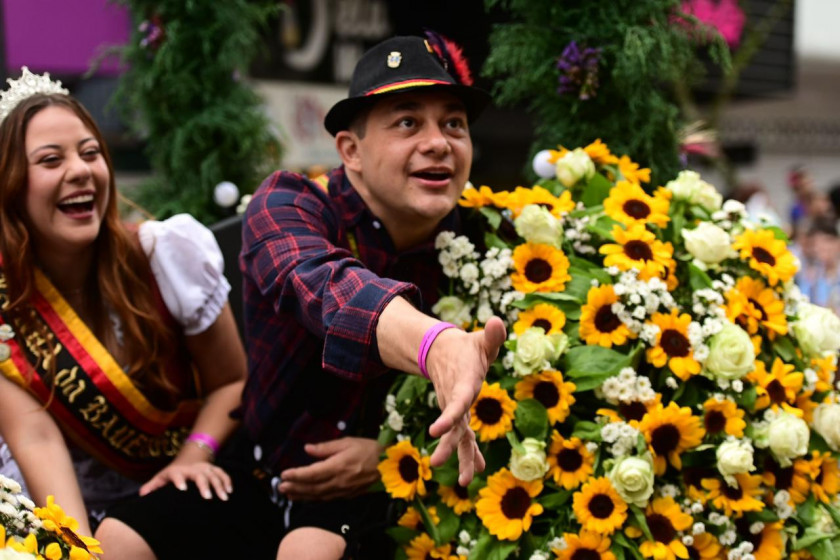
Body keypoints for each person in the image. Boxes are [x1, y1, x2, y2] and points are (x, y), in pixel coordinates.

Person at [239, 33, 506, 559]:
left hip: (399, 493)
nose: (438, 143)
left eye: (454, 123)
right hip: (259, 468)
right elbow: (324, 284)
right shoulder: (289, 202)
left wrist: (393, 455)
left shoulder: (491, 239)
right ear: (351, 151)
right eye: (408, 123)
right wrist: (436, 345)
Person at [0, 67, 246, 546]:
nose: (80, 170)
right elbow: (36, 438)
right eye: (50, 160)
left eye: (91, 153)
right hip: (63, 499)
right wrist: (77, 550)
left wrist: (196, 452)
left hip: (192, 477)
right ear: (9, 186)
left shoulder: (163, 255)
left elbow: (232, 381)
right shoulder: (3, 302)